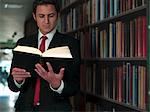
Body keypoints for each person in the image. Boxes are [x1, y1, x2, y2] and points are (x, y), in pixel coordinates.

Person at [7, 0, 80, 111]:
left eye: (51, 16)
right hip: (24, 108)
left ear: (58, 15)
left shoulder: (71, 44)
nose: (46, 21)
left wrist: (58, 85)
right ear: (34, 16)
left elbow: (75, 87)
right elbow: (12, 85)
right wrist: (18, 81)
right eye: (41, 16)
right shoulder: (22, 43)